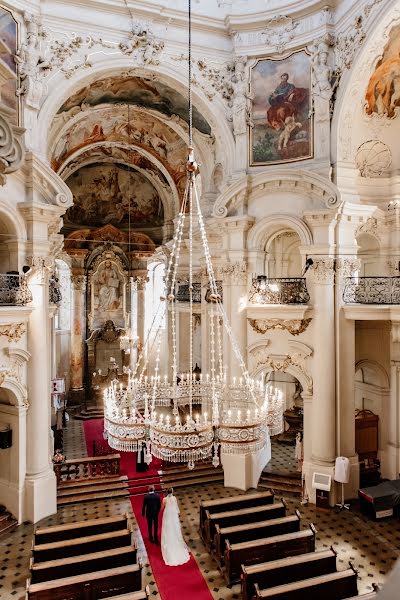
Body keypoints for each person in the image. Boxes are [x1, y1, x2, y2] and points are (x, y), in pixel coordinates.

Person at [161, 488, 190, 566]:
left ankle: (169, 541)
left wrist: (160, 510)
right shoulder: (174, 498)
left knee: (167, 528)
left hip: (167, 514)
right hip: (173, 514)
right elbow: (176, 507)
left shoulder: (164, 499)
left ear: (167, 492)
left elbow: (162, 508)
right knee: (175, 528)